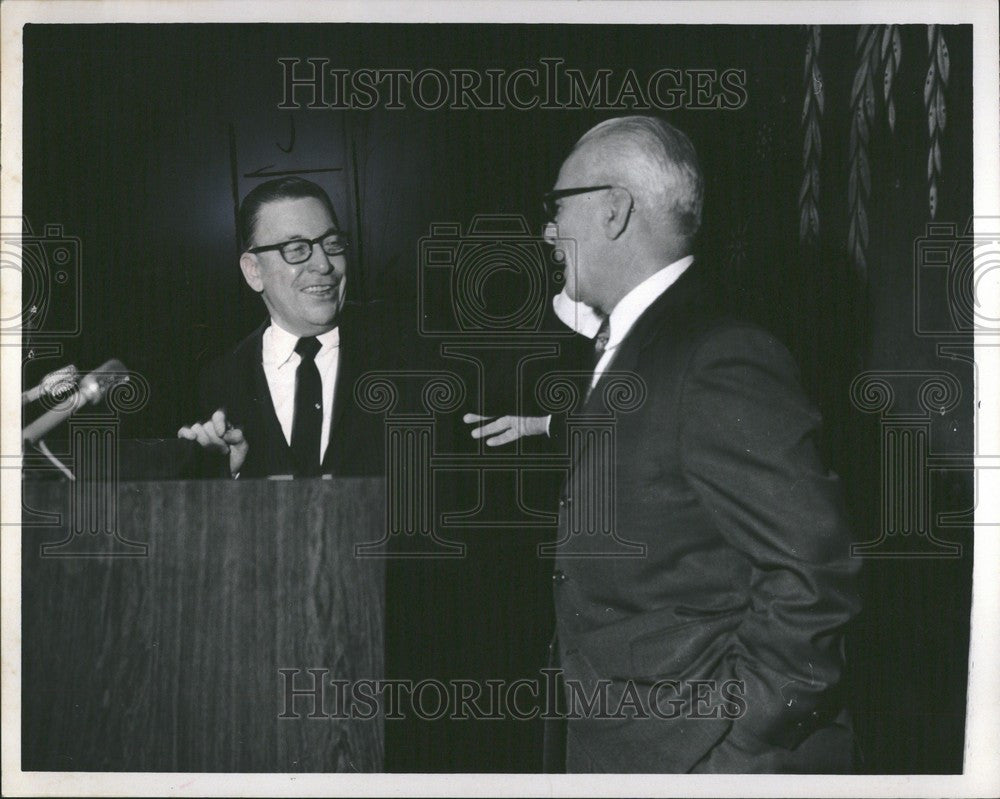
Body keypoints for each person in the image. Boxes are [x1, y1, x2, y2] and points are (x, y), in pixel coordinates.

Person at [471, 116, 861, 773]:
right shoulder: (643, 339)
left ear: (615, 210)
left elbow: (815, 574)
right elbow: (654, 442)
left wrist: (737, 745)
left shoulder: (721, 352)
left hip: (698, 757)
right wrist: (544, 426)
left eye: (556, 207)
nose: (545, 231)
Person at [179, 177, 381, 478]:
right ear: (253, 271)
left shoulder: (414, 360)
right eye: (296, 249)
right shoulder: (217, 382)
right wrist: (225, 474)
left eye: (331, 243)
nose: (324, 264)